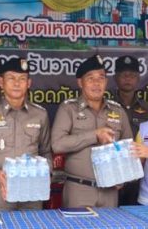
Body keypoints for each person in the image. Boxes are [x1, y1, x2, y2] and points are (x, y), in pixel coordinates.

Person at [0, 57, 51, 212]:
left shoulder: (40, 114)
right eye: (11, 78)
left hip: (31, 193)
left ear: (29, 83)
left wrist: (45, 173)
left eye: (22, 79)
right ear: (1, 82)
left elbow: (46, 151)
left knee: (32, 228)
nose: (17, 83)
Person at [50, 55, 133, 208]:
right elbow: (57, 144)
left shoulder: (118, 111)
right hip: (79, 189)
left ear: (106, 82)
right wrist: (94, 135)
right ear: (80, 82)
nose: (96, 83)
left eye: (101, 78)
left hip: (110, 191)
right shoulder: (69, 108)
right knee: (78, 225)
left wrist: (124, 177)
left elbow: (129, 149)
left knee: (110, 225)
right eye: (90, 78)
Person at [114, 55, 148, 205]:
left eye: (132, 75)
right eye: (124, 75)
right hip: (113, 170)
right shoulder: (106, 105)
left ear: (138, 79)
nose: (128, 79)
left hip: (140, 172)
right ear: (115, 77)